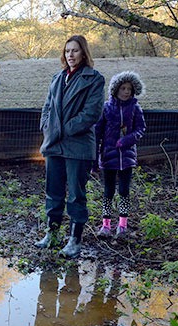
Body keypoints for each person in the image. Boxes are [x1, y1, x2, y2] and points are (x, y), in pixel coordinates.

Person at [34, 35, 105, 259]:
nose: (70, 55)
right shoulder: (57, 78)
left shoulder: (94, 79)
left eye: (75, 51)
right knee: (53, 192)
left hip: (78, 145)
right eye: (67, 51)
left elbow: (92, 113)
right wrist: (47, 127)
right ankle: (51, 235)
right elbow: (47, 107)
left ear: (83, 53)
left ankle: (74, 241)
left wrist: (63, 129)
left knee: (76, 194)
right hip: (54, 144)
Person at [95, 71, 146, 240]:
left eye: (129, 89)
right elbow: (97, 132)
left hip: (127, 156)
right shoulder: (106, 108)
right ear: (116, 89)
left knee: (124, 190)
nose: (126, 92)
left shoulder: (135, 108)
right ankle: (106, 225)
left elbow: (140, 129)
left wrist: (127, 140)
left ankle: (122, 225)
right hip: (108, 156)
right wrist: (95, 158)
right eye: (123, 88)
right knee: (108, 191)